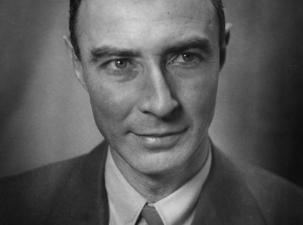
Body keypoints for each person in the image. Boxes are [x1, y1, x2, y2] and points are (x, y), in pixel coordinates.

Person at [1, 0, 303, 224]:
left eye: (185, 57)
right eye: (120, 62)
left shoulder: (291, 212)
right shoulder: (10, 208)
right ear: (77, 64)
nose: (161, 104)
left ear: (221, 50)